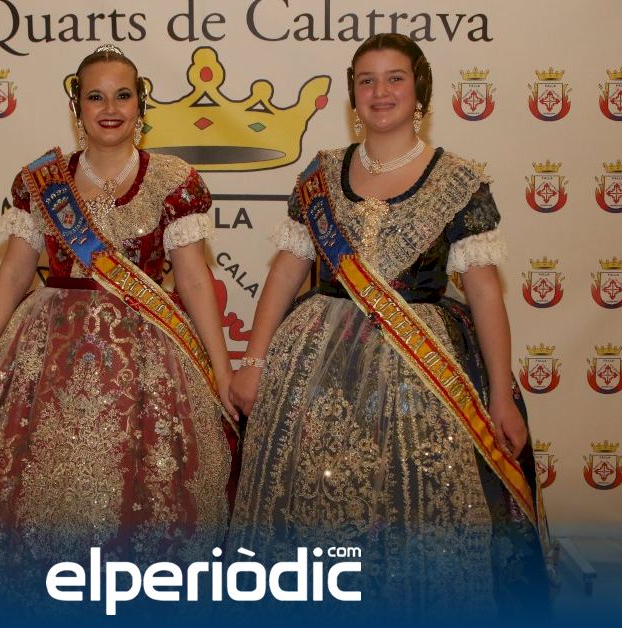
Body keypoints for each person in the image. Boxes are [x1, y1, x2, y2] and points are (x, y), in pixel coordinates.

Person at [0, 44, 236, 617]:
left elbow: (194, 280)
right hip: (46, 354)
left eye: (123, 95)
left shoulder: (175, 181)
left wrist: (221, 371)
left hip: (147, 358)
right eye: (95, 96)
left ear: (141, 104)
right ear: (76, 107)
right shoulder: (41, 182)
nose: (110, 108)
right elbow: (14, 272)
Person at [228, 33, 551, 620]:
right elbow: (285, 273)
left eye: (394, 78)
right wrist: (253, 360)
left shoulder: (459, 180)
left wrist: (501, 395)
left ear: (419, 90)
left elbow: (485, 294)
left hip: (422, 375)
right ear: (353, 95)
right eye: (367, 81)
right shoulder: (322, 174)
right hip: (317, 366)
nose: (381, 92)